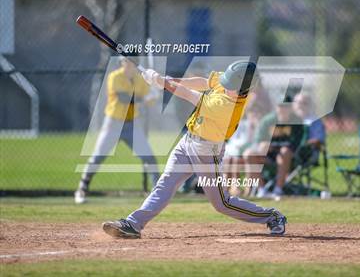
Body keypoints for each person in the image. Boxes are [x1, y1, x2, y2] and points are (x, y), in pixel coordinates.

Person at [102, 60, 287, 238]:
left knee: (221, 203)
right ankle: (133, 223)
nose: (225, 84)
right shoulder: (230, 81)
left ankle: (272, 216)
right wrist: (168, 80)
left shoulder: (227, 106)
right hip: (187, 142)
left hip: (206, 151)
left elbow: (190, 95)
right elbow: (203, 82)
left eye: (230, 84)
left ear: (243, 89)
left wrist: (163, 83)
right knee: (165, 183)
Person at [74, 58, 160, 204]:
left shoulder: (140, 80)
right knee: (97, 157)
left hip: (131, 124)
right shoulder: (114, 76)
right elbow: (124, 98)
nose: (126, 65)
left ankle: (158, 193)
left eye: (130, 62)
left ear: (135, 64)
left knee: (149, 158)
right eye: (124, 62)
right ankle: (82, 189)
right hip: (113, 123)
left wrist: (155, 93)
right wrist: (145, 98)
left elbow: (150, 100)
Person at [243, 96, 304, 199]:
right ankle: (262, 190)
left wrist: (275, 147)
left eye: (286, 107)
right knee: (248, 154)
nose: (282, 109)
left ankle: (278, 190)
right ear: (276, 107)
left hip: (288, 157)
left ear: (290, 108)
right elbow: (258, 141)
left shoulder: (296, 121)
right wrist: (262, 145)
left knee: (284, 152)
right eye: (280, 106)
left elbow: (296, 144)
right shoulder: (268, 121)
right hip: (267, 156)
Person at [223, 105, 264, 196]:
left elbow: (257, 144)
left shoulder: (262, 126)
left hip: (256, 156)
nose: (254, 115)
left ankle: (243, 188)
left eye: (256, 113)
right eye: (251, 113)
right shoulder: (242, 125)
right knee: (230, 159)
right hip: (238, 154)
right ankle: (229, 188)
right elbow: (234, 142)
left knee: (236, 159)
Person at [292, 93, 326, 164]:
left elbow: (318, 140)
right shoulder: (288, 119)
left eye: (304, 103)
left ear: (310, 105)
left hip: (306, 153)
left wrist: (302, 145)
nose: (300, 106)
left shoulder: (315, 121)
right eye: (298, 103)